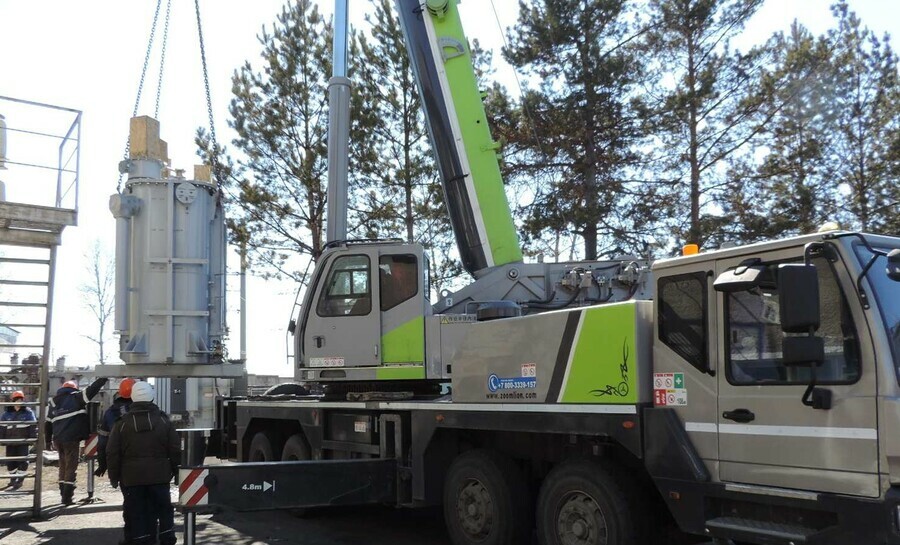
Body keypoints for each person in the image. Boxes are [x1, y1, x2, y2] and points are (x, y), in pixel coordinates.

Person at [108, 381, 180, 545]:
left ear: (132, 398)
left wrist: (114, 476)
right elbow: (175, 449)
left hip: (132, 478)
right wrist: (177, 471)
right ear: (152, 397)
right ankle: (167, 539)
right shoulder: (164, 421)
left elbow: (112, 453)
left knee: (136, 513)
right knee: (164, 510)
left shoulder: (121, 424)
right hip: (160, 476)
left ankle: (140, 540)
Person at [46, 377, 108, 505]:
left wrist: (47, 441)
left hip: (58, 439)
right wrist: (103, 379)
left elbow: (47, 423)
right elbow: (92, 389)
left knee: (63, 465)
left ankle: (63, 494)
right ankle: (67, 498)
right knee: (71, 467)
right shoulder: (76, 397)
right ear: (73, 389)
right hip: (71, 438)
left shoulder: (53, 401)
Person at [95, 378, 135, 478]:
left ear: (120, 392)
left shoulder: (110, 412)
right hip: (142, 462)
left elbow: (102, 443)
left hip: (119, 459)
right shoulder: (144, 412)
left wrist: (102, 465)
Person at [1, 391, 36, 490]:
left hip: (23, 442)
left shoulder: (28, 413)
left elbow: (33, 426)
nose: (18, 402)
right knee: (10, 463)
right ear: (13, 401)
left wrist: (32, 439)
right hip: (10, 442)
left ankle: (19, 480)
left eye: (20, 399)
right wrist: (2, 440)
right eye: (16, 399)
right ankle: (13, 479)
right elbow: (2, 428)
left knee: (23, 461)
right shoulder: (6, 414)